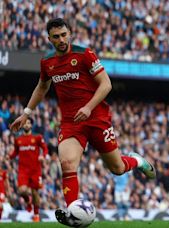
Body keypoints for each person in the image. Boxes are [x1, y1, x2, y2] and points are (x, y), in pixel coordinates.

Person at [9, 18, 156, 226]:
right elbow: (42, 87)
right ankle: (73, 215)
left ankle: (137, 161)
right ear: (49, 38)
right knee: (67, 163)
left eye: (64, 34)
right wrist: (26, 113)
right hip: (71, 122)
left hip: (97, 118)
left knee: (117, 167)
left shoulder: (84, 54)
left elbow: (106, 84)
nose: (61, 40)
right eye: (56, 37)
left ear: (70, 33)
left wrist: (88, 107)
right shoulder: (47, 62)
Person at [7, 117, 47, 222]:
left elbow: (45, 148)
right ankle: (28, 201)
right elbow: (16, 152)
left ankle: (36, 215)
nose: (27, 125)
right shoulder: (18, 140)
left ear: (31, 125)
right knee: (21, 191)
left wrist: (43, 156)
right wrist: (9, 157)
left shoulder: (37, 138)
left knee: (35, 192)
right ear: (22, 125)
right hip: (23, 170)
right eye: (25, 123)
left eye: (28, 123)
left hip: (35, 170)